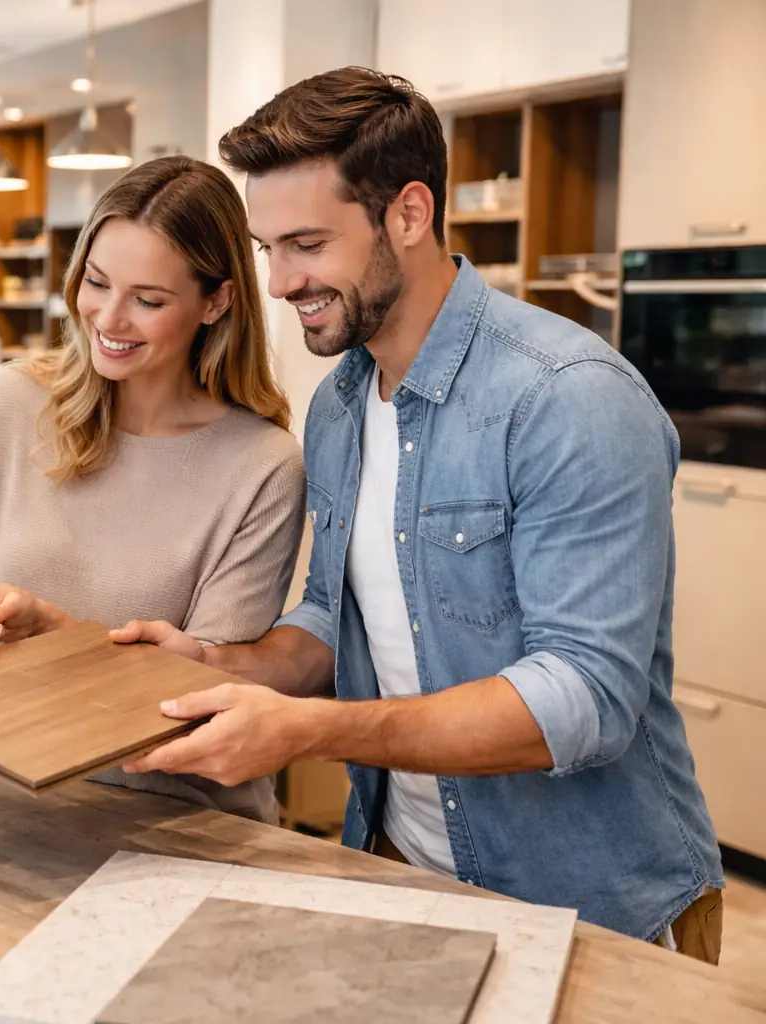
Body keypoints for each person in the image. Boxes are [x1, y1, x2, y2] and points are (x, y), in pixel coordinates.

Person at [115, 67, 724, 962]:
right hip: (405, 869)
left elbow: (586, 701)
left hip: (592, 906)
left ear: (408, 213)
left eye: (308, 244)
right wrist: (223, 665)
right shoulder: (339, 405)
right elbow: (335, 616)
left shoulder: (568, 398)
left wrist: (318, 731)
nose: (281, 282)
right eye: (267, 247)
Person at [0, 156, 306, 824]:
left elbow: (199, 700)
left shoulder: (262, 465)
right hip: (3, 793)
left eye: (148, 300)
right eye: (96, 282)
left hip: (181, 822)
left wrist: (52, 634)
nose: (109, 317)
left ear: (216, 302)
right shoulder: (8, 404)